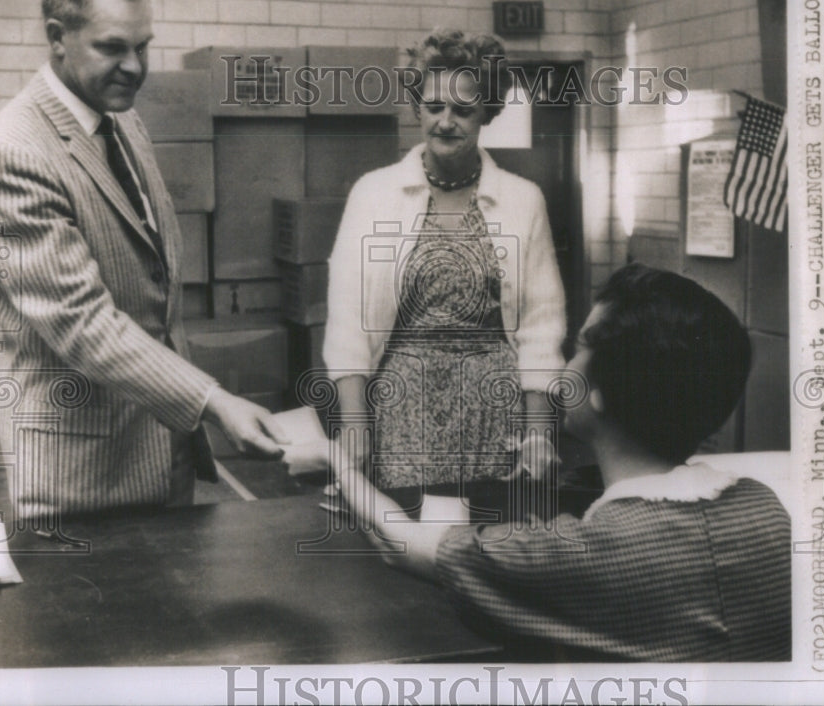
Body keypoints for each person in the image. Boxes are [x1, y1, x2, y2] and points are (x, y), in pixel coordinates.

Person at [333, 264, 791, 662]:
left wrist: (341, 463)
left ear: (599, 394)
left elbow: (398, 544)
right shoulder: (766, 509)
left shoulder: (584, 552)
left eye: (578, 350)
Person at [0, 0, 283, 519]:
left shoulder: (122, 120)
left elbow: (152, 281)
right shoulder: (16, 151)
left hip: (162, 456)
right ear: (57, 36)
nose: (136, 67)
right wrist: (213, 400)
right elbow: (84, 323)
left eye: (143, 46)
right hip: (81, 484)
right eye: (113, 47)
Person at [322, 28, 566, 511]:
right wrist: (353, 428)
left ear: (487, 112)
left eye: (463, 109)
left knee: (488, 544)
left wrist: (538, 435)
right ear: (417, 108)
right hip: (401, 411)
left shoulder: (523, 199)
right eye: (434, 107)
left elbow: (542, 326)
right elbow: (347, 323)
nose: (446, 122)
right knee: (403, 548)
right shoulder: (373, 193)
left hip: (493, 414)